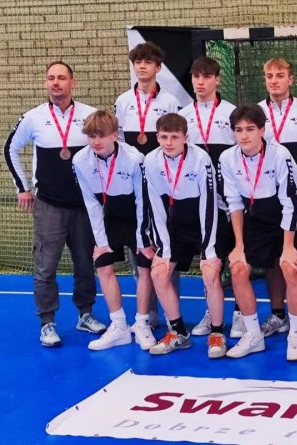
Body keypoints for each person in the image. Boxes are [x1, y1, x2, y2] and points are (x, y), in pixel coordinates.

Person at [3, 61, 106, 347]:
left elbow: (108, 148)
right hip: (48, 206)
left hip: (84, 206)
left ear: (73, 82)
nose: (56, 82)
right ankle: (47, 322)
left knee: (85, 263)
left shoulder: (89, 115)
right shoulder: (33, 117)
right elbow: (10, 149)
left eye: (61, 77)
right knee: (45, 267)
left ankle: (85, 314)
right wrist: (22, 188)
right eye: (51, 78)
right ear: (46, 83)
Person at [219, 104, 297, 360]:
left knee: (289, 267)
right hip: (254, 217)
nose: (244, 135)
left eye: (250, 129)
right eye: (238, 130)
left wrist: (288, 247)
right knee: (238, 267)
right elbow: (234, 203)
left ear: (262, 130)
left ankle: (296, 335)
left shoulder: (280, 154)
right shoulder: (227, 158)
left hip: (287, 216)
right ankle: (253, 334)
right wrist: (238, 246)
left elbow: (291, 203)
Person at [72, 111, 156, 351]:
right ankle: (119, 327)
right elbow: (91, 203)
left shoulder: (134, 158)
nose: (96, 141)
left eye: (101, 136)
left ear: (115, 135)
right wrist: (101, 242)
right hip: (109, 217)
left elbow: (142, 201)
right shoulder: (79, 160)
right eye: (91, 136)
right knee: (103, 265)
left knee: (144, 268)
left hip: (136, 216)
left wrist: (142, 239)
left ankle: (142, 323)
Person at [115, 41, 181, 330]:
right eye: (137, 62)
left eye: (147, 62)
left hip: (163, 183)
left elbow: (176, 140)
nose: (141, 66)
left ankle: (171, 312)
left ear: (158, 67)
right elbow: (118, 141)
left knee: (166, 244)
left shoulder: (170, 101)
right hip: (133, 183)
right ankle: (149, 311)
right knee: (139, 246)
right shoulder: (122, 101)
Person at [143, 113, 221, 356]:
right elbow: (155, 206)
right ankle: (178, 332)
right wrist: (164, 249)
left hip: (204, 222)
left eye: (175, 137)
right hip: (175, 224)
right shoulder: (150, 161)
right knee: (158, 272)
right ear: (157, 137)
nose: (169, 142)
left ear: (186, 138)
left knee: (210, 272)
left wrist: (208, 250)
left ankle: (217, 333)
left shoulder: (201, 159)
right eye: (164, 137)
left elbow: (209, 205)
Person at [257, 57, 297, 340]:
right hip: (267, 194)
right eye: (269, 75)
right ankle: (278, 314)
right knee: (274, 257)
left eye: (280, 75)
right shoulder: (257, 112)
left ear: (290, 79)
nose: (274, 80)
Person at [178, 56, 238, 339]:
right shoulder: (182, 116)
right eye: (196, 77)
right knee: (208, 259)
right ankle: (209, 312)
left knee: (235, 259)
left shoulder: (231, 113)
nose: (200, 82)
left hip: (230, 199)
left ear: (217, 80)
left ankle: (240, 313)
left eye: (206, 77)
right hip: (199, 199)